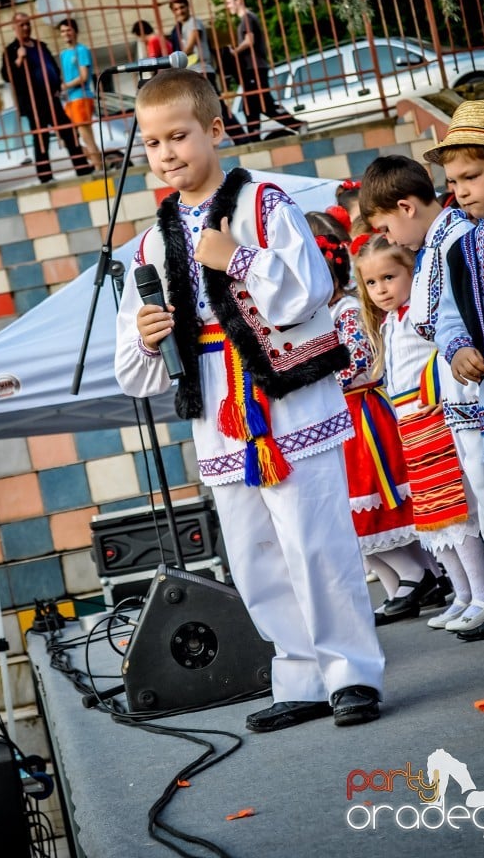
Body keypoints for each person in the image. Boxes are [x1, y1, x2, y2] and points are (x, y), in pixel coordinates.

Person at [114, 68, 384, 731]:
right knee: (252, 548)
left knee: (315, 539)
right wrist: (149, 339)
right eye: (152, 144)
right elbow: (134, 368)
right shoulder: (152, 241)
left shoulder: (263, 202)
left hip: (287, 400)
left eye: (178, 136)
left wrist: (236, 258)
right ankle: (298, 673)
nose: (167, 153)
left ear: (214, 129)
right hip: (217, 408)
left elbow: (309, 290)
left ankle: (351, 673)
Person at [359, 155, 484, 633]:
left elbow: (457, 309)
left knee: (479, 495)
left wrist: (458, 346)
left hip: (461, 393)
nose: (390, 237)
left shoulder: (454, 236)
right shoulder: (433, 247)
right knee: (468, 497)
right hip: (446, 399)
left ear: (404, 207)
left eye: (386, 226)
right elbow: (438, 316)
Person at [421, 99, 484, 640]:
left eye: (470, 176)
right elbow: (449, 312)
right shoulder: (463, 242)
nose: (458, 189)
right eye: (452, 179)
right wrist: (457, 347)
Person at [310, 229, 430, 626]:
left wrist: (310, 381)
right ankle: (401, 583)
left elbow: (357, 361)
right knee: (349, 510)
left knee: (370, 503)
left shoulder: (345, 310)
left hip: (362, 413)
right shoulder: (319, 316)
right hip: (340, 416)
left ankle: (416, 575)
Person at [0, 12, 94, 184]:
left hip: (51, 98)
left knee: (69, 132)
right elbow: (7, 76)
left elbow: (52, 66)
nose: (26, 27)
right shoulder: (11, 50)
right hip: (34, 103)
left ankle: (82, 168)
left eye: (28, 24)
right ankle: (45, 176)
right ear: (14, 27)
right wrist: (19, 59)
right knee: (41, 138)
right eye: (22, 25)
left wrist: (57, 85)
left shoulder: (40, 45)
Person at [224, 0, 306, 140]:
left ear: (238, 1)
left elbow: (250, 41)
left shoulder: (247, 18)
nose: (228, 6)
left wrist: (234, 51)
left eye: (229, 2)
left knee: (261, 102)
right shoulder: (247, 19)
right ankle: (254, 135)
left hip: (255, 68)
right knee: (255, 103)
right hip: (253, 68)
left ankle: (296, 125)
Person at [169, 0, 249, 145]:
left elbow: (193, 41)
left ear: (188, 7)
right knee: (205, 109)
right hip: (192, 73)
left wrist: (178, 58)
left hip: (202, 71)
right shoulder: (178, 29)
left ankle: (241, 138)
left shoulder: (193, 22)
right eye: (176, 9)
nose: (180, 11)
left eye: (182, 7)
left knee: (216, 107)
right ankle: (238, 138)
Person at [58, 18, 103, 172]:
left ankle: (98, 167)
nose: (66, 34)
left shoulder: (82, 50)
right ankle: (99, 161)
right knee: (68, 138)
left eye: (68, 30)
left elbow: (84, 76)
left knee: (86, 135)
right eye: (63, 31)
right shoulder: (63, 54)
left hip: (81, 97)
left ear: (75, 32)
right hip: (69, 99)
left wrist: (65, 85)